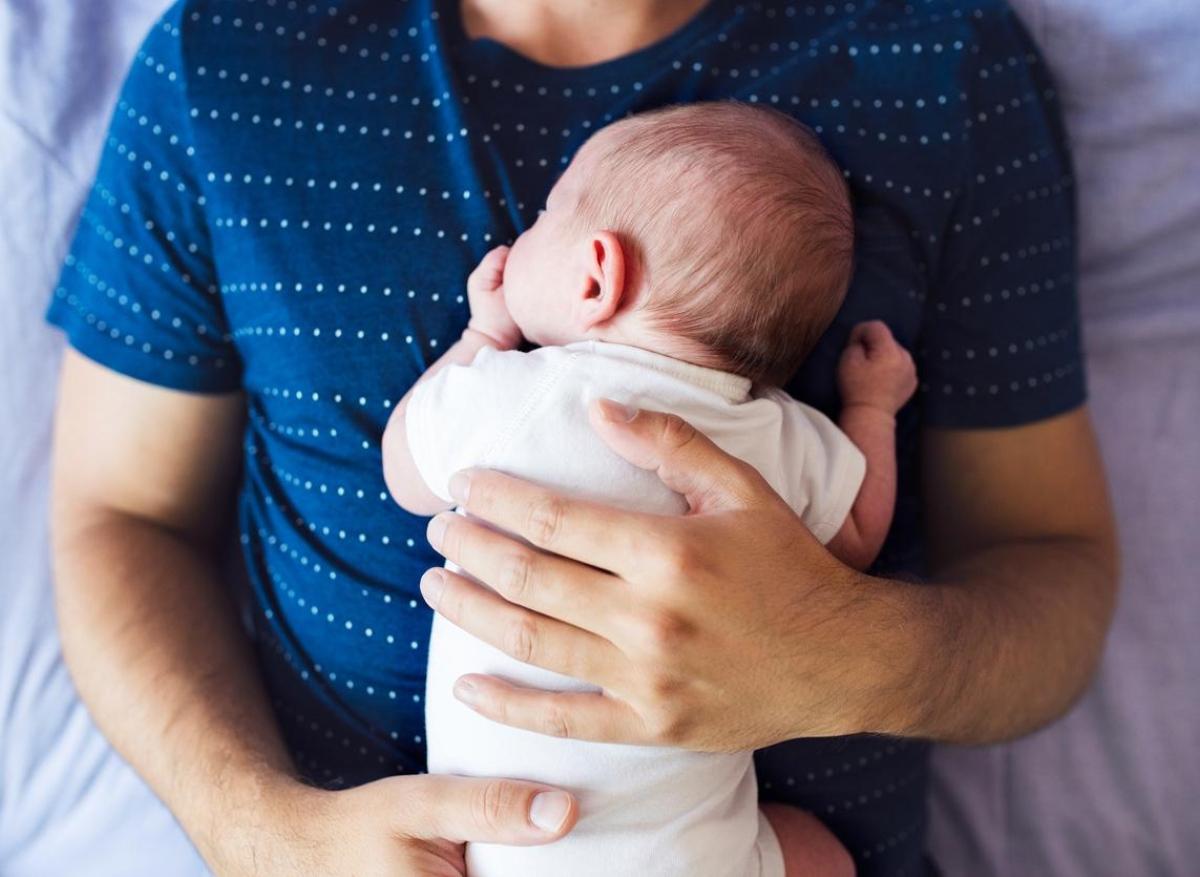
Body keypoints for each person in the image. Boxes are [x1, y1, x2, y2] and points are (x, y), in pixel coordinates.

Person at [46, 1, 1116, 875]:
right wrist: (259, 835)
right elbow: (119, 515)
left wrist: (846, 661)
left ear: (595, 271)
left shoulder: (938, 53)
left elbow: (1052, 567)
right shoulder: (226, 58)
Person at [386, 102, 916, 877]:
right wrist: (873, 408)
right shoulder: (776, 436)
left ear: (597, 275)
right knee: (821, 853)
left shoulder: (515, 394)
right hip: (698, 856)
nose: (524, 234)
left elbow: (404, 475)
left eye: (545, 217)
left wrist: (481, 340)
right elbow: (861, 534)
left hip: (509, 843)